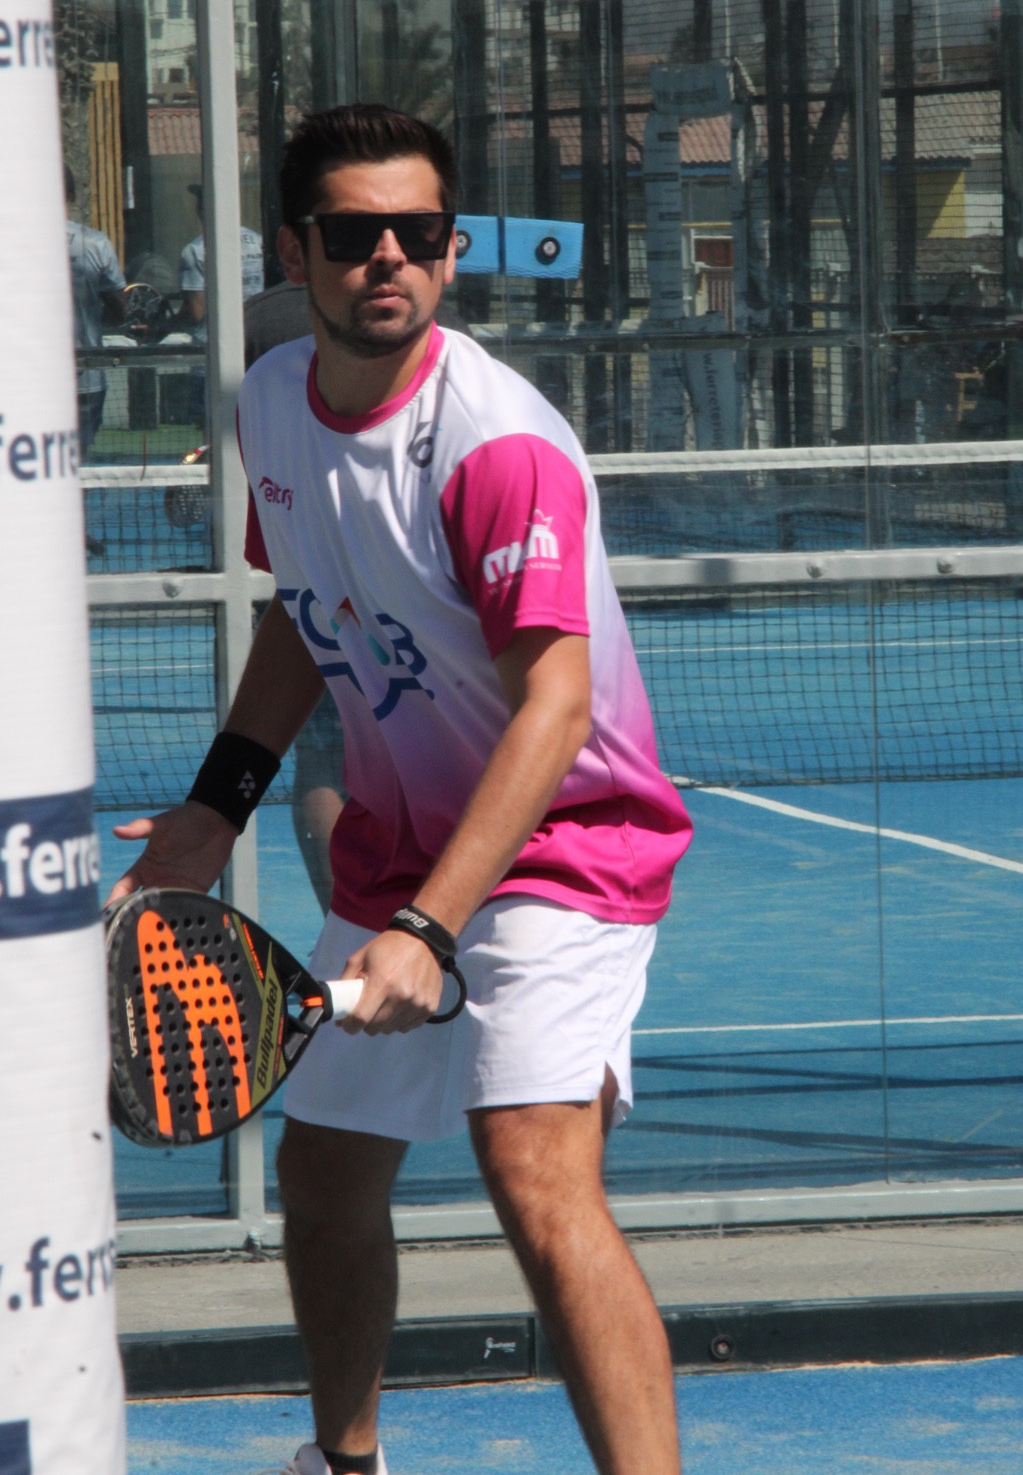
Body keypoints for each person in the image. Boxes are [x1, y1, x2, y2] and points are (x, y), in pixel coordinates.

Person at [108, 104, 692, 1475]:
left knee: (536, 1172)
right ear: (295, 252)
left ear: (450, 251)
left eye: (420, 233)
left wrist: (433, 930)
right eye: (356, 233)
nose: (391, 258)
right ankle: (345, 1463)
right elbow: (302, 616)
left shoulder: (495, 446)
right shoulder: (271, 405)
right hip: (398, 855)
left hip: (566, 848)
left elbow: (554, 708)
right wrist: (216, 806)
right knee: (322, 1182)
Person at [240, 275, 477, 915]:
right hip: (371, 591)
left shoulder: (252, 326)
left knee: (325, 764)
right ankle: (371, 917)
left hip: (333, 579)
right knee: (398, 757)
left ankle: (358, 914)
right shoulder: (421, 314)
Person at [65, 165, 125, 455]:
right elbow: (119, 308)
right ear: (73, 195)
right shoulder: (95, 242)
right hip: (87, 375)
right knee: (80, 460)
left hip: (31, 377)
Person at [178, 180, 265, 340]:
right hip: (257, 331)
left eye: (201, 202)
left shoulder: (195, 250)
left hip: (215, 342)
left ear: (202, 209)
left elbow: (196, 313)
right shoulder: (258, 241)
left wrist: (163, 326)